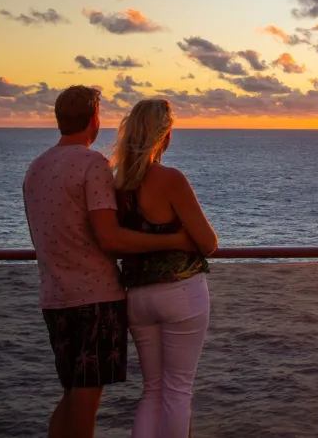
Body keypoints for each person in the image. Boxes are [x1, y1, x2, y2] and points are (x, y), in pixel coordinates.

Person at [22, 86, 196, 438]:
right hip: (95, 299)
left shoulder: (36, 168)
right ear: (94, 120)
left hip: (54, 297)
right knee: (87, 400)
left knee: (72, 393)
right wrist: (174, 239)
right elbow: (110, 238)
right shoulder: (92, 164)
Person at [111, 98, 218, 438]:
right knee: (178, 391)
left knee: (153, 391)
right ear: (165, 135)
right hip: (180, 294)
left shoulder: (118, 183)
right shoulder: (171, 179)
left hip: (137, 297)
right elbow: (209, 243)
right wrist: (181, 238)